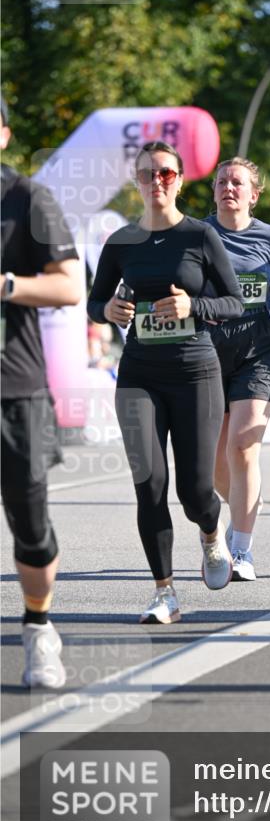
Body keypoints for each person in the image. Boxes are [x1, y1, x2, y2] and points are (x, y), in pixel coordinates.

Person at [87, 141, 244, 624]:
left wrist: (192, 306)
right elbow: (95, 303)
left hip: (195, 372)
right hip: (139, 375)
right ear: (136, 181)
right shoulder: (121, 242)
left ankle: (213, 536)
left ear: (180, 180)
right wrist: (107, 310)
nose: (157, 182)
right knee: (149, 485)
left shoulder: (199, 237)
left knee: (196, 491)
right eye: (148, 174)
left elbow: (235, 303)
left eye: (167, 174)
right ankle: (165, 592)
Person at [1, 95, 81, 686]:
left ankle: (39, 628)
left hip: (14, 388)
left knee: (30, 524)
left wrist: (5, 283)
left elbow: (70, 287)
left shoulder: (28, 199)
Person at [205, 158, 270, 581]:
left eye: (238, 182)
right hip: (207, 354)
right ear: (214, 191)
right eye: (222, 181)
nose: (229, 187)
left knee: (244, 445)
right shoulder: (198, 234)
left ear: (254, 193)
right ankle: (242, 509)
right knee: (214, 461)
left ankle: (242, 549)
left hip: (259, 352)